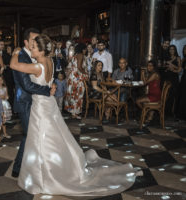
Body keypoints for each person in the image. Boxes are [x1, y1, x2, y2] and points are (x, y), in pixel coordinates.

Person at [10, 34, 141, 196]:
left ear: (42, 50)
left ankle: (44, 175)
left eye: (34, 48)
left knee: (41, 137)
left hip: (41, 106)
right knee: (53, 135)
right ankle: (55, 166)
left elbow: (13, 65)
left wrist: (16, 52)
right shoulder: (50, 62)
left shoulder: (38, 67)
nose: (32, 49)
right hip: (48, 104)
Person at [11, 28, 53, 178]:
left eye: (38, 40)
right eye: (33, 40)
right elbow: (26, 85)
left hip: (36, 103)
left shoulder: (37, 57)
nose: (36, 42)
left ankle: (23, 168)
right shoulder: (21, 56)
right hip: (25, 102)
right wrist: (47, 90)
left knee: (31, 136)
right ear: (26, 42)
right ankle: (21, 168)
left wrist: (49, 85)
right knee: (30, 135)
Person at [64, 43, 88, 119]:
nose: (86, 50)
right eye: (85, 49)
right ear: (82, 49)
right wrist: (85, 72)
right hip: (77, 78)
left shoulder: (75, 55)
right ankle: (75, 113)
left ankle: (73, 112)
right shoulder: (81, 55)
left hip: (72, 77)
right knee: (78, 94)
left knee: (73, 94)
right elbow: (79, 67)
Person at [163, 45, 181, 116]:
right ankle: (166, 111)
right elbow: (165, 68)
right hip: (167, 77)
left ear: (175, 50)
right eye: (170, 49)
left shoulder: (178, 58)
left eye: (173, 49)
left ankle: (171, 112)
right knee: (166, 95)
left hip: (174, 78)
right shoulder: (167, 58)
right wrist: (167, 67)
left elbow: (179, 68)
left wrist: (172, 66)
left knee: (172, 95)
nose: (171, 51)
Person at [0, 74, 12, 139]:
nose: (0, 81)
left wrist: (6, 97)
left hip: (4, 105)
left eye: (1, 80)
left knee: (3, 121)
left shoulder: (5, 88)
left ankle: (5, 133)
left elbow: (7, 96)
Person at [176, 45, 186, 120]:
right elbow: (180, 69)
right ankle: (181, 115)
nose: (185, 51)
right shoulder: (183, 59)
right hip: (184, 78)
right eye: (184, 49)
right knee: (182, 95)